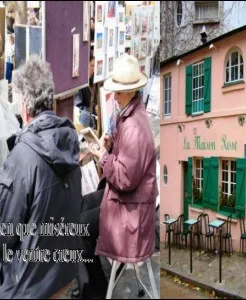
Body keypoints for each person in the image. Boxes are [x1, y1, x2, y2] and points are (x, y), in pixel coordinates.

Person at [0, 56, 82, 299]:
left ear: (25, 107)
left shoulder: (23, 158)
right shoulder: (69, 141)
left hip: (32, 287)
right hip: (63, 272)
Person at [89, 54, 157, 265]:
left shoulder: (134, 126)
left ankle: (93, 289)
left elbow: (125, 178)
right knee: (80, 209)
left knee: (78, 227)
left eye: (118, 93)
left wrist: (103, 157)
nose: (115, 98)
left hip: (130, 215)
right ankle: (93, 286)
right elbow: (128, 162)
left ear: (129, 92)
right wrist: (112, 143)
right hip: (126, 203)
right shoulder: (131, 114)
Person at [74, 52, 99, 130]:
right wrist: (94, 110)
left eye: (95, 66)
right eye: (92, 65)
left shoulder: (93, 78)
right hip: (83, 122)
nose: (94, 69)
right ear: (85, 64)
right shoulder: (78, 81)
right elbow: (78, 107)